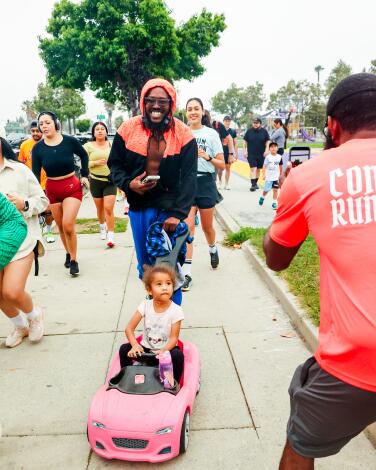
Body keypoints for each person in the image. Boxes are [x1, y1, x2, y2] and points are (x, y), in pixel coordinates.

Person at [263, 73, 376, 469]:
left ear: (332, 126)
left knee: (301, 444)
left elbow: (277, 258)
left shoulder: (310, 174)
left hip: (359, 357)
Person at [108, 78, 197, 305]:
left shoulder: (184, 134)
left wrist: (178, 214)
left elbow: (189, 178)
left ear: (171, 103)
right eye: (151, 101)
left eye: (162, 101)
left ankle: (171, 324)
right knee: (147, 267)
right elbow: (115, 165)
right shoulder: (128, 129)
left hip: (169, 210)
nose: (156, 106)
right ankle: (155, 316)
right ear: (143, 102)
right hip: (140, 207)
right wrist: (129, 184)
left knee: (166, 268)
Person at [0, 137, 49, 348]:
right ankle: (20, 325)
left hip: (22, 239)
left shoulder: (19, 170)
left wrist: (24, 203)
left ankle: (34, 314)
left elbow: (43, 201)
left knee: (11, 291)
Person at [32, 111, 89, 276]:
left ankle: (74, 261)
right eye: (41, 123)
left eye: (47, 122)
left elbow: (84, 155)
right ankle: (68, 252)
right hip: (52, 189)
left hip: (71, 186)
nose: (44, 126)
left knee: (68, 224)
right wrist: (37, 194)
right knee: (61, 228)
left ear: (55, 123)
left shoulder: (69, 141)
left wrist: (85, 175)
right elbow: (35, 174)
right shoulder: (38, 149)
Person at [181, 98, 225, 291]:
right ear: (186, 113)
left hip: (206, 182)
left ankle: (212, 248)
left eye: (196, 109)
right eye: (189, 109)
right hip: (187, 183)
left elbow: (222, 164)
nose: (193, 112)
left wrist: (206, 156)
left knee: (207, 227)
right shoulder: (181, 133)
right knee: (188, 228)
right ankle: (186, 272)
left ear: (202, 111)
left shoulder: (211, 134)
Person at [119, 264, 184, 384]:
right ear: (149, 290)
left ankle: (175, 384)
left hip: (165, 352)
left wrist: (163, 350)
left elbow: (174, 338)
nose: (165, 287)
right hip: (145, 350)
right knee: (124, 349)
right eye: (159, 284)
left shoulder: (176, 310)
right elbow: (129, 329)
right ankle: (125, 379)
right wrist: (134, 345)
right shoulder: (145, 305)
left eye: (168, 283)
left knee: (178, 355)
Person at [19, 121, 55, 243]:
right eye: (33, 131)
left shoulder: (49, 143)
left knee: (48, 210)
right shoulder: (24, 145)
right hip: (31, 184)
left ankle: (49, 231)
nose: (35, 133)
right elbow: (21, 164)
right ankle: (37, 232)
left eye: (37, 131)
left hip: (47, 182)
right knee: (35, 211)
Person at [84, 122, 117, 247]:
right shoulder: (88, 146)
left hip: (110, 181)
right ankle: (102, 227)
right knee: (100, 209)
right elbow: (82, 163)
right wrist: (95, 163)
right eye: (97, 129)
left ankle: (111, 235)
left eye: (102, 129)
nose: (100, 131)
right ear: (93, 132)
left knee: (108, 208)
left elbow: (119, 161)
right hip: (95, 181)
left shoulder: (112, 145)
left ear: (106, 132)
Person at [243, 117, 270, 191]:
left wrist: (267, 150)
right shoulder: (249, 131)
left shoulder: (264, 131)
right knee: (253, 168)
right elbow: (245, 141)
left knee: (258, 169)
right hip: (251, 154)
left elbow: (267, 141)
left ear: (260, 124)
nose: (255, 124)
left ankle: (255, 183)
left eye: (257, 123)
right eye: (254, 123)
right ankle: (253, 185)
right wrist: (245, 151)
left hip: (261, 154)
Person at [258, 142, 282, 210]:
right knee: (266, 190)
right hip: (268, 177)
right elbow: (264, 166)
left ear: (277, 148)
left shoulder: (279, 157)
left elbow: (280, 166)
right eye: (271, 147)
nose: (273, 148)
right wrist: (263, 174)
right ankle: (262, 197)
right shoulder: (268, 157)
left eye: (275, 147)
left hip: (276, 177)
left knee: (275, 190)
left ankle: (274, 203)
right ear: (269, 149)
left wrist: (280, 175)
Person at [212, 117, 234, 189]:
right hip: (219, 151)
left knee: (227, 168)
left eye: (229, 121)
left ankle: (226, 184)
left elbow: (234, 142)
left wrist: (233, 154)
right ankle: (220, 181)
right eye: (226, 121)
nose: (227, 122)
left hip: (227, 151)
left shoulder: (232, 131)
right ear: (223, 121)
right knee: (220, 169)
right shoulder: (217, 128)